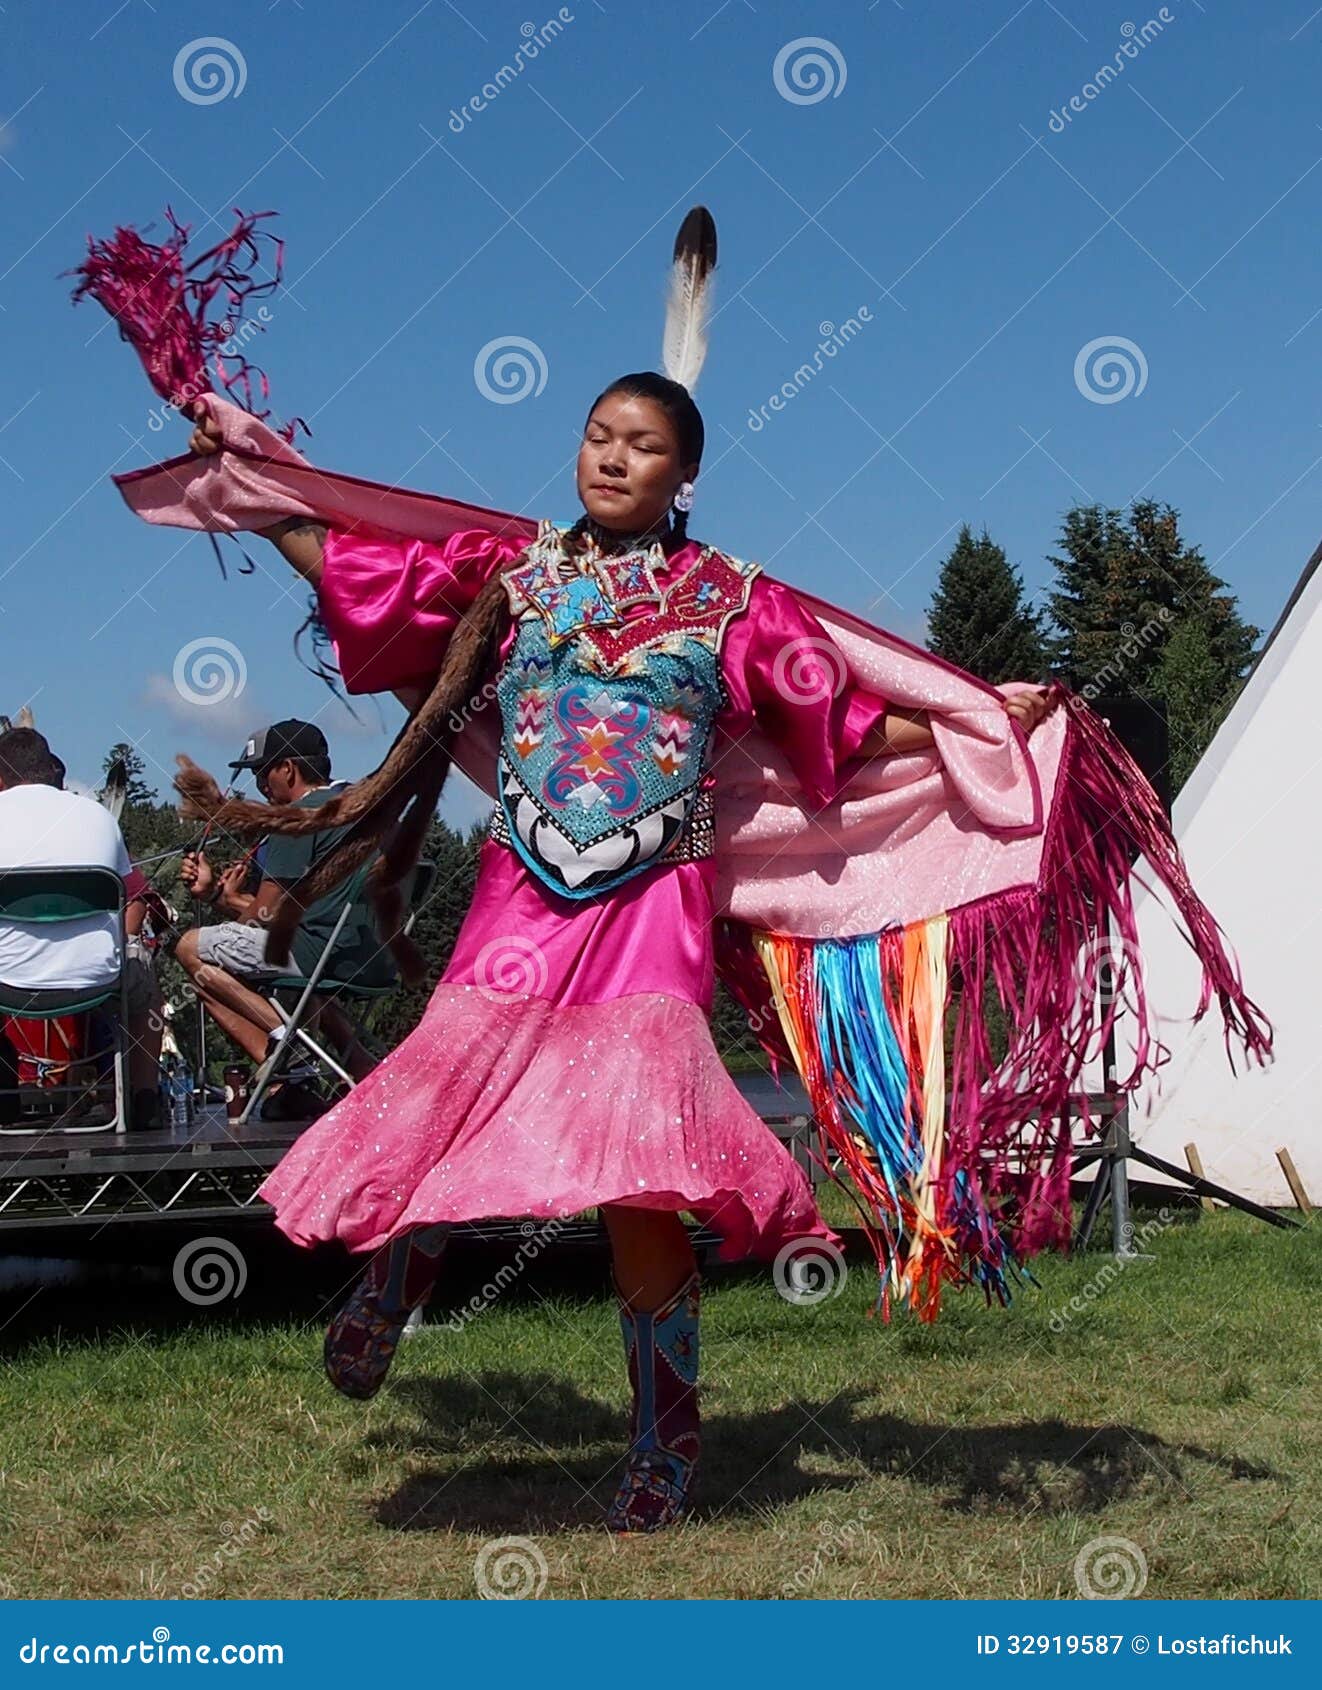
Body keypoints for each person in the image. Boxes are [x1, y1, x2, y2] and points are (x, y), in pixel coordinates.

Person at [81, 203, 1267, 1536]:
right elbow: (359, 568)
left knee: (641, 1165)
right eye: (596, 435)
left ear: (679, 475)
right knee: (451, 1101)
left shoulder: (730, 599)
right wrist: (255, 481)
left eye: (640, 444)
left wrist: (969, 715)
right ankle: (396, 1277)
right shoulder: (510, 578)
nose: (610, 454)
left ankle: (664, 1433)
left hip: (651, 910)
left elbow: (835, 706)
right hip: (523, 904)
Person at [176, 719, 386, 1111]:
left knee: (192, 950)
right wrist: (220, 897)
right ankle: (357, 1062)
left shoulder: (299, 818)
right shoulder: (362, 805)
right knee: (295, 969)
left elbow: (266, 913)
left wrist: (226, 919)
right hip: (370, 956)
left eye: (261, 775)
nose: (260, 789)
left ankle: (287, 1061)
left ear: (287, 769)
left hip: (315, 954)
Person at [0, 727, 162, 1127]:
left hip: (7, 981)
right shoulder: (97, 817)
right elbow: (132, 896)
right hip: (96, 981)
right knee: (145, 983)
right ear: (47, 768)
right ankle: (144, 1102)